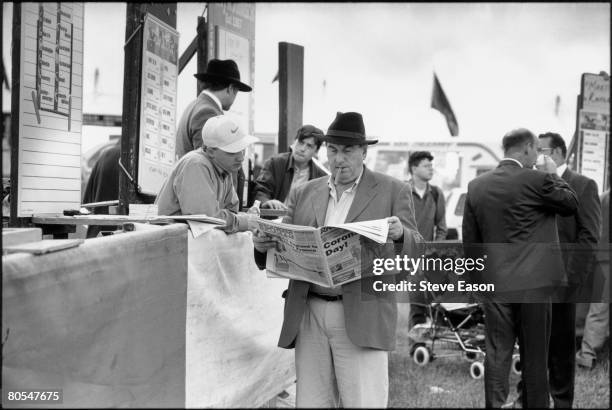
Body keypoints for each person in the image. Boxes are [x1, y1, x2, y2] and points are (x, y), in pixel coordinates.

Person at [253, 112, 422, 407]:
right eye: (333, 150)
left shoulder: (394, 190)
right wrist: (262, 244)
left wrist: (399, 236)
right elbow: (278, 250)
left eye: (347, 151)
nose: (338, 159)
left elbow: (417, 251)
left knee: (363, 401)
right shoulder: (304, 192)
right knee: (311, 402)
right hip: (308, 312)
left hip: (362, 313)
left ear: (364, 152)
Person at [462, 128, 578, 408]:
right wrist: (552, 174)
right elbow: (571, 204)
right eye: (537, 150)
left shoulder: (478, 186)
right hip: (535, 284)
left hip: (496, 284)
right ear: (526, 148)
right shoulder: (539, 180)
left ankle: (495, 405)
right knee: (534, 356)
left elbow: (471, 243)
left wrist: (478, 284)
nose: (538, 156)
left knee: (497, 353)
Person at [505, 132, 601, 408]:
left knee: (560, 347)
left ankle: (561, 401)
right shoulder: (532, 183)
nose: (534, 155)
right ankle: (528, 397)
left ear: (557, 152)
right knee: (531, 344)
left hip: (563, 280)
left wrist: (571, 280)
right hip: (531, 279)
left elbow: (589, 236)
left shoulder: (583, 185)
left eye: (540, 149)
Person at [156, 115, 258, 233]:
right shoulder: (196, 165)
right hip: (168, 243)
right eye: (232, 152)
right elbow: (207, 219)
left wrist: (246, 218)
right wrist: (245, 221)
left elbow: (231, 211)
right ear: (210, 151)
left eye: (242, 150)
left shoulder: (225, 168)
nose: (240, 158)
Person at [175, 59, 252, 159]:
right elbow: (209, 161)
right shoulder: (208, 112)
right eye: (236, 91)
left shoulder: (195, 105)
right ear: (230, 88)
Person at [406, 151, 447, 334]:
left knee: (435, 302)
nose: (431, 168)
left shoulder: (437, 193)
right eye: (426, 165)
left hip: (431, 257)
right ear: (414, 168)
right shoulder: (402, 191)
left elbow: (442, 227)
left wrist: (434, 249)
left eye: (432, 165)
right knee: (417, 304)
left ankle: (429, 345)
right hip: (409, 256)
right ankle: (416, 346)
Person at [252, 125, 328, 210]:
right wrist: (266, 202)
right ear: (294, 142)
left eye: (309, 146)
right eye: (301, 142)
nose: (302, 149)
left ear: (316, 151)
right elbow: (260, 190)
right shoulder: (274, 163)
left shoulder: (321, 176)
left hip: (301, 223)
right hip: (273, 218)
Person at [576, 190, 609, 369]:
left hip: (603, 259)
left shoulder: (603, 197)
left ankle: (587, 355)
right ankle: (588, 355)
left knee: (599, 309)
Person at [82, 140, 120, 238]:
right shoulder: (129, 156)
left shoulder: (105, 154)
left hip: (98, 217)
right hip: (117, 220)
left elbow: (89, 194)